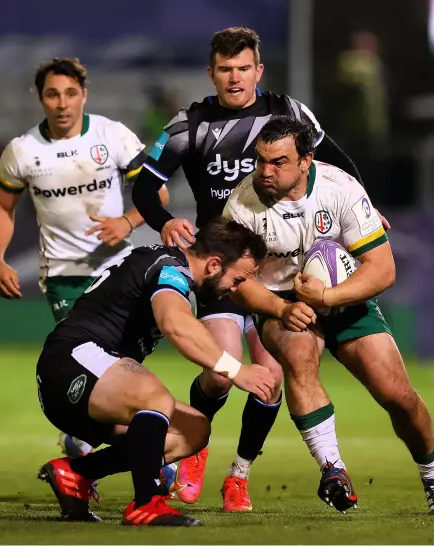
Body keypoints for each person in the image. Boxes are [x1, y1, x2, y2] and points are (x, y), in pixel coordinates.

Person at [132, 26, 389, 511]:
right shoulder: (189, 125)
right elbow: (145, 186)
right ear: (212, 72)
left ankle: (240, 475)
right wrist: (164, 222)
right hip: (224, 273)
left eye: (243, 68)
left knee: (270, 379)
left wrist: (367, 208)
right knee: (223, 375)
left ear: (258, 70)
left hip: (284, 272)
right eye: (225, 69)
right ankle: (194, 449)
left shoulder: (288, 114)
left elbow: (338, 164)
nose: (235, 78)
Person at [222, 115, 434, 514]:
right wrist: (281, 308)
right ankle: (333, 470)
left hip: (344, 296)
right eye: (261, 161)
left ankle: (433, 477)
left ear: (306, 161)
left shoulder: (341, 189)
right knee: (299, 357)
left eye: (279, 162)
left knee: (399, 396)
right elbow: (238, 281)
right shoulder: (242, 205)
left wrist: (330, 295)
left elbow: (382, 268)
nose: (266, 172)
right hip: (283, 303)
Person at [36, 217, 275, 526]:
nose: (235, 290)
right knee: (153, 396)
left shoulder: (168, 266)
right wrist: (235, 369)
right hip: (70, 363)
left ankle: (77, 473)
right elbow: (175, 323)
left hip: (93, 382)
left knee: (193, 430)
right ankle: (146, 503)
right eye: (239, 279)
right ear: (215, 264)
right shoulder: (170, 267)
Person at [0, 57, 169, 458]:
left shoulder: (113, 136)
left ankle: (87, 442)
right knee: (90, 363)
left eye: (71, 93)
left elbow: (159, 195)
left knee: (120, 363)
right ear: (40, 98)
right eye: (53, 94)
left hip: (118, 270)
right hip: (64, 276)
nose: (62, 103)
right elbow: (2, 206)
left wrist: (127, 220)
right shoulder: (21, 151)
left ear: (84, 95)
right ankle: (117, 447)